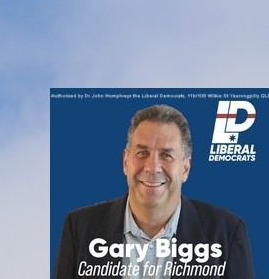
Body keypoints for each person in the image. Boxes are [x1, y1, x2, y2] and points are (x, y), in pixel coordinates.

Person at [53, 104, 254, 279]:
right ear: (125, 161)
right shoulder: (79, 228)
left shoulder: (227, 233)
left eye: (166, 155)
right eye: (142, 153)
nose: (152, 167)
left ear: (185, 168)